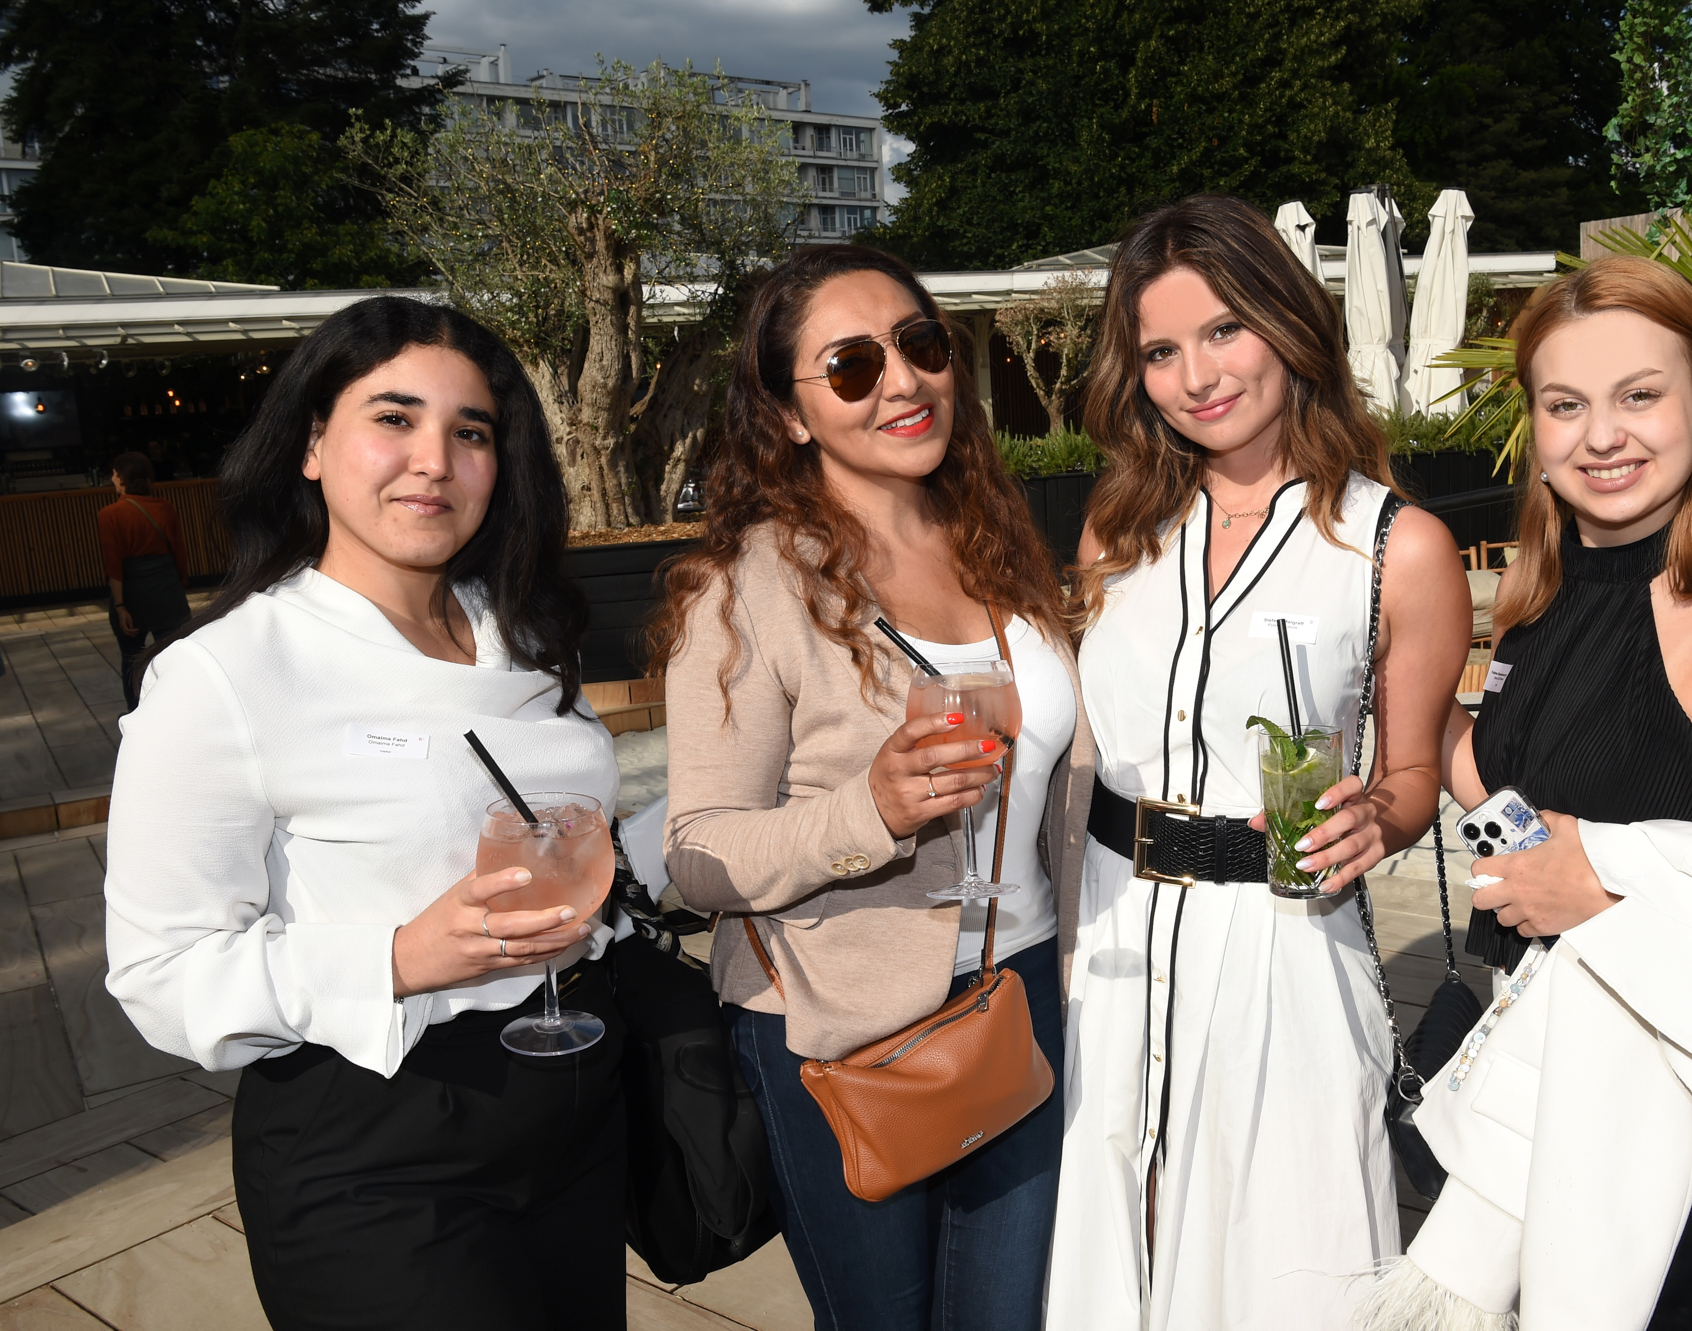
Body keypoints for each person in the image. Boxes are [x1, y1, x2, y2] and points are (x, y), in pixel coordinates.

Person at [103, 296, 626, 1330]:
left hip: (568, 1103)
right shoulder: (225, 673)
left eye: (470, 432)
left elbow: (568, 836)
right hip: (375, 1140)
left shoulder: (521, 637)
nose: (434, 460)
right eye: (394, 418)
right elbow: (160, 972)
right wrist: (397, 955)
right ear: (310, 445)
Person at [1385, 255, 1692, 1327]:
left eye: (1638, 395)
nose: (1601, 436)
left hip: (1675, 1126)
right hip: (1540, 1091)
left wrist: (1604, 879)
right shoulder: (1541, 601)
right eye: (1566, 405)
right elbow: (1513, 799)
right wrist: (1393, 673)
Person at [1046, 195, 1473, 1329]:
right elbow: (1083, 751)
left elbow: (1413, 774)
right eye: (1161, 350)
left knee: (1284, 1265)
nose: (1197, 376)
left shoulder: (1395, 546)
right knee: (1113, 1251)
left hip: (1283, 943)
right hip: (1114, 944)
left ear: (1287, 324)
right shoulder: (1117, 530)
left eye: (1224, 329)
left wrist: (1376, 816)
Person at [653, 244, 1093, 1331]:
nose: (902, 380)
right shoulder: (748, 590)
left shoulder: (998, 543)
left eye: (920, 344)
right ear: (789, 415)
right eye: (852, 365)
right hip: (837, 1024)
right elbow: (697, 853)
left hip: (1023, 984)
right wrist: (873, 811)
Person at [97, 452, 191, 710]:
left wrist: (120, 606)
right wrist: (179, 585)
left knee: (132, 659)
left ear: (122, 478)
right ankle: (176, 709)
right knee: (172, 658)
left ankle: (136, 713)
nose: (112, 479)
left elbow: (114, 565)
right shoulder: (165, 508)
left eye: (114, 474)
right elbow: (179, 553)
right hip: (166, 592)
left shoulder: (109, 514)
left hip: (132, 595)